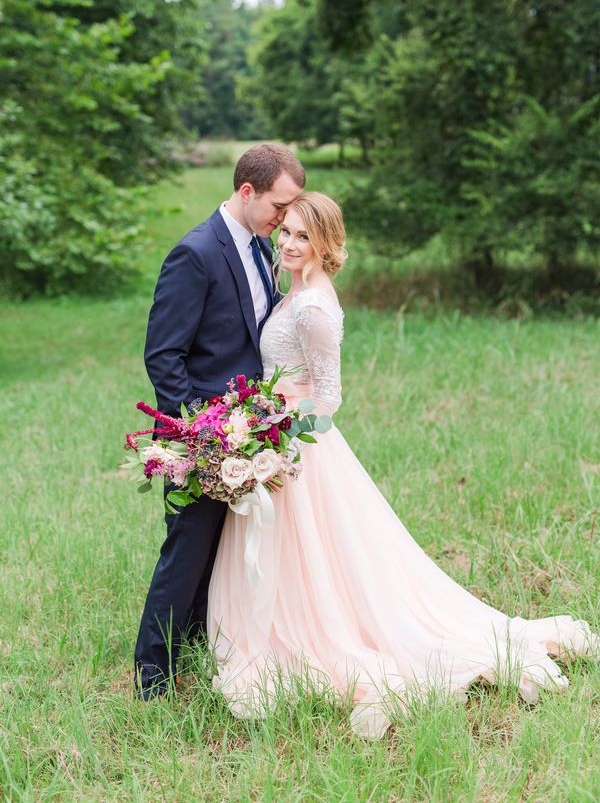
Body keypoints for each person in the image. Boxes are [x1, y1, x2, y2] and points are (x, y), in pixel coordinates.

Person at [207, 191, 598, 739]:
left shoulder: (316, 305)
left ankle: (326, 638)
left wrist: (282, 441)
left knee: (319, 556)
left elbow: (329, 396)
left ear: (325, 244)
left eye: (302, 236)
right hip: (272, 432)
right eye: (286, 231)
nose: (289, 243)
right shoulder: (291, 286)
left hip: (299, 447)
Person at [134, 143, 306, 699]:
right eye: (280, 205)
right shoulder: (197, 252)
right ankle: (151, 673)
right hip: (203, 436)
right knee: (186, 551)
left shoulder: (259, 248)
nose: (286, 218)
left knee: (219, 552)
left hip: (244, 430)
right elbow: (164, 355)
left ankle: (194, 646)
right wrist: (198, 435)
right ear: (247, 191)